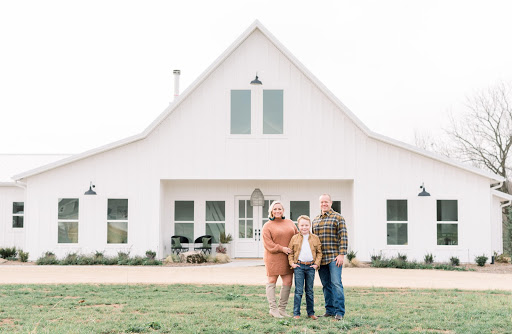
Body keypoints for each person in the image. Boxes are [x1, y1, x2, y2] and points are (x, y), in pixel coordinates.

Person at [312, 194, 348, 320]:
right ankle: (330, 310)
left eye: (326, 202)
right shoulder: (315, 220)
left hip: (334, 258)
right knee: (326, 285)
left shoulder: (338, 218)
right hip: (321, 259)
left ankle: (339, 312)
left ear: (331, 203)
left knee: (336, 284)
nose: (324, 204)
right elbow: (313, 241)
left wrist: (341, 254)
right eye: (322, 202)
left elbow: (343, 237)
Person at [262, 200, 298, 318]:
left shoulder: (290, 223)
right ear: (271, 211)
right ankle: (273, 309)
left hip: (288, 258)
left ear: (283, 211)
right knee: (272, 281)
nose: (277, 211)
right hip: (273, 257)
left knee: (288, 282)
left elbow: (297, 237)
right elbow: (268, 244)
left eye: (279, 209)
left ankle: (282, 309)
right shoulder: (267, 226)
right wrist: (282, 248)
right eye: (275, 209)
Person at [288, 215, 322, 320]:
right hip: (299, 266)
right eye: (302, 225)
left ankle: (310, 313)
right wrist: (292, 264)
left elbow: (319, 252)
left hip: (311, 266)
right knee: (298, 291)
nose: (304, 227)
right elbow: (290, 252)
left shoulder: (315, 238)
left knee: (310, 290)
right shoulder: (294, 238)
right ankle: (296, 313)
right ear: (298, 226)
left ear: (310, 225)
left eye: (306, 225)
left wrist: (316, 264)